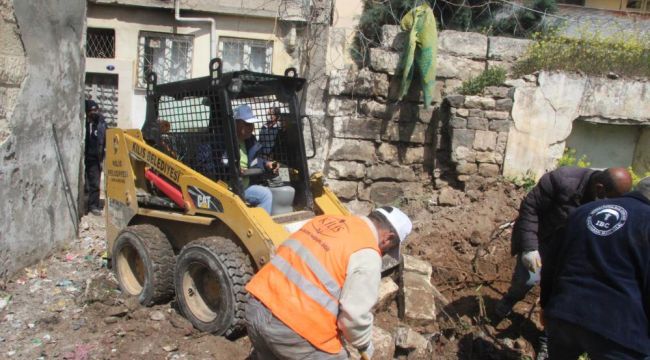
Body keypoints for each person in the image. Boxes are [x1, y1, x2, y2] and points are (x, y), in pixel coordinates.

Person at [495, 166, 633, 359]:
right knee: (528, 279)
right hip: (543, 239)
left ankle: (548, 340)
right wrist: (529, 247)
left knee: (560, 299)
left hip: (570, 254)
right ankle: (510, 299)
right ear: (600, 188)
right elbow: (530, 208)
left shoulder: (614, 206)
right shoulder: (562, 180)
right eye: (611, 198)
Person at [245, 206, 413, 359]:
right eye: (388, 250)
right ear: (388, 238)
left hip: (255, 308)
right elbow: (353, 317)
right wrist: (364, 345)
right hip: (291, 330)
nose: (383, 254)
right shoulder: (367, 253)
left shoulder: (325, 220)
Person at [541, 176, 650, 359]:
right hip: (620, 330)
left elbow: (552, 262)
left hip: (564, 313)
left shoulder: (583, 211)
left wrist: (546, 304)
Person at [234, 105, 277, 214]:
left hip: (245, 186)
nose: (251, 128)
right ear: (235, 123)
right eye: (247, 124)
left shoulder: (250, 141)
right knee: (265, 194)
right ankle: (262, 226)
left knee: (268, 191)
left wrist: (267, 164)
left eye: (252, 124)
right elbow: (215, 165)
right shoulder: (222, 142)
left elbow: (255, 160)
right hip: (227, 189)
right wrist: (234, 169)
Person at [84, 99, 107, 216]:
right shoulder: (84, 123)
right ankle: (84, 202)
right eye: (91, 111)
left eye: (96, 110)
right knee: (85, 183)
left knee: (95, 183)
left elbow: (105, 140)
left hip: (95, 158)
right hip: (83, 157)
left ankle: (93, 205)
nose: (94, 113)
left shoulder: (101, 124)